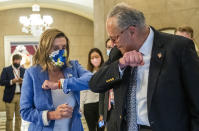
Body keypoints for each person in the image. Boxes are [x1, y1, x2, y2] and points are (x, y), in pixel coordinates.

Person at [89, 3, 199, 131]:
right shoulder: (117, 53)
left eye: (115, 38)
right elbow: (95, 84)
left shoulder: (178, 48)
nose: (113, 44)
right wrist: (120, 64)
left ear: (132, 31)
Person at [20, 29, 92, 131]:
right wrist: (52, 115)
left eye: (64, 47)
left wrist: (59, 84)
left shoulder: (73, 66)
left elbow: (91, 79)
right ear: (46, 50)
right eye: (55, 48)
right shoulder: (32, 73)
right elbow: (25, 111)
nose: (61, 51)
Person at [80, 48, 104, 131]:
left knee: (101, 127)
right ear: (90, 60)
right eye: (92, 58)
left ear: (101, 57)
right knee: (92, 129)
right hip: (89, 106)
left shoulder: (105, 71)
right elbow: (83, 91)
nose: (95, 59)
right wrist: (81, 106)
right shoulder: (87, 73)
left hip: (101, 106)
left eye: (96, 57)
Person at [0, 54, 25, 131]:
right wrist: (12, 81)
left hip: (21, 96)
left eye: (19, 60)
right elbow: (1, 82)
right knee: (10, 117)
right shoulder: (6, 70)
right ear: (13, 60)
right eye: (16, 60)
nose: (18, 62)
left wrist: (22, 81)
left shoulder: (24, 70)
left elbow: (28, 82)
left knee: (19, 117)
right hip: (10, 96)